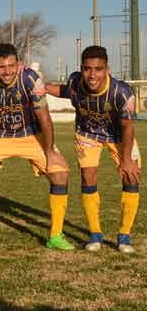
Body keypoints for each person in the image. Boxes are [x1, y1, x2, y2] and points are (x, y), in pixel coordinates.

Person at [0, 43, 73, 250]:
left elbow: (44, 118)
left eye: (11, 66)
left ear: (18, 64)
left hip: (29, 133)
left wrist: (50, 151)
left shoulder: (30, 79)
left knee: (60, 173)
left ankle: (55, 235)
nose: (7, 71)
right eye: (1, 67)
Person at [46, 46, 141, 253]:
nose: (92, 75)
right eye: (87, 69)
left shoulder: (122, 93)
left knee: (131, 177)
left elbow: (128, 127)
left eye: (98, 69)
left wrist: (126, 160)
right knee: (88, 176)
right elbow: (65, 91)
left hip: (119, 137)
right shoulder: (75, 81)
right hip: (88, 134)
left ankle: (124, 236)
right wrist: (42, 87)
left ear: (107, 69)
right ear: (81, 68)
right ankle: (95, 234)